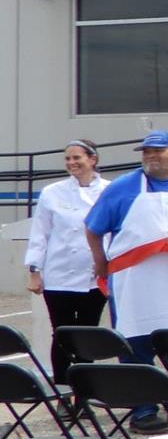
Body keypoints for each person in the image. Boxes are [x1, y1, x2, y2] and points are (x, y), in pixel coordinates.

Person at [85, 131, 168, 430]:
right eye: (146, 152)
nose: (150, 157)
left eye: (157, 151)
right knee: (135, 342)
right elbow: (93, 227)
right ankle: (143, 408)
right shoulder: (124, 187)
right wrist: (100, 262)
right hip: (135, 279)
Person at [26, 141, 108, 387]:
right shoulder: (52, 192)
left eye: (77, 158)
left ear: (92, 159)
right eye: (68, 159)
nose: (72, 163)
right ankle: (63, 390)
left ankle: (83, 391)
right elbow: (40, 233)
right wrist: (33, 270)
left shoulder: (109, 190)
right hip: (58, 275)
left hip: (95, 276)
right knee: (62, 334)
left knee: (87, 334)